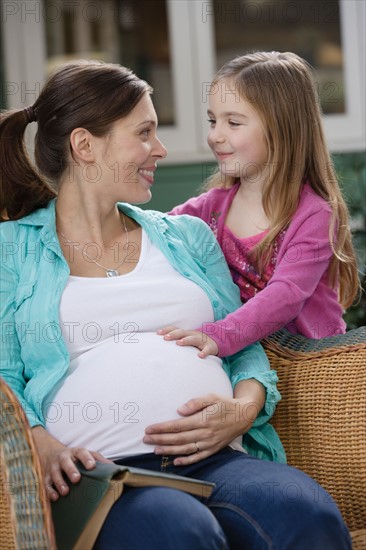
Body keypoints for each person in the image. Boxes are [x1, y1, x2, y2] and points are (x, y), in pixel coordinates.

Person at [0, 60, 351, 549]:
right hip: (107, 473)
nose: (160, 149)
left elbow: (241, 344)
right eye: (144, 133)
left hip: (222, 458)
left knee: (303, 513)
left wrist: (243, 409)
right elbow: (5, 377)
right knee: (180, 532)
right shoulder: (13, 248)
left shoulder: (185, 236)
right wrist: (40, 442)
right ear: (85, 146)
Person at [165, 51, 360, 359]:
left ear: (281, 127)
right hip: (247, 359)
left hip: (310, 365)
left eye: (233, 122)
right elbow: (158, 231)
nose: (215, 135)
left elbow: (286, 295)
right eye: (213, 121)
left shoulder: (314, 215)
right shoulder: (211, 207)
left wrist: (220, 336)